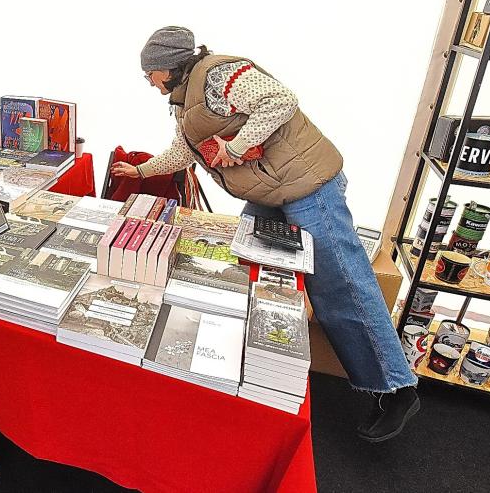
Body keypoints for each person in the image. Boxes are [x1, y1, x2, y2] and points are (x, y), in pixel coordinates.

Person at [112, 26, 419, 441]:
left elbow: (281, 101)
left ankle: (396, 388)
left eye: (149, 74)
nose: (149, 82)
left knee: (341, 285)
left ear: (165, 68)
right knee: (248, 269)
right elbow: (184, 153)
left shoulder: (220, 74)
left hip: (307, 186)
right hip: (269, 189)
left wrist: (236, 148)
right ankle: (258, 369)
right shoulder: (185, 103)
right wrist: (141, 171)